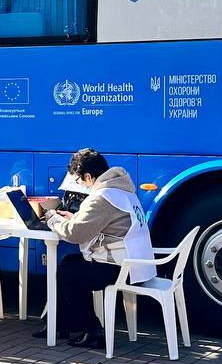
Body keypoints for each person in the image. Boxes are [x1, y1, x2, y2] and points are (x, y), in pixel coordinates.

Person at [40, 149, 155, 349]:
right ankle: (61, 323)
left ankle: (93, 331)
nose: (81, 185)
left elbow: (75, 234)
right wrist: (73, 217)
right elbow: (102, 223)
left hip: (121, 267)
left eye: (79, 181)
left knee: (69, 273)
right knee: (69, 263)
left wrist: (52, 217)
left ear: (88, 176)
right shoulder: (122, 189)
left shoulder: (103, 196)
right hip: (135, 263)